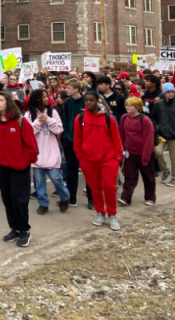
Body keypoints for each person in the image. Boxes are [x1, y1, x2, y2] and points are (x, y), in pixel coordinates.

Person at [0, 91, 37, 248]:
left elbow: (31, 144)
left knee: (19, 199)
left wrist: (28, 160)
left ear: (8, 102)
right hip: (3, 166)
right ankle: (14, 228)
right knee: (7, 199)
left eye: (1, 100)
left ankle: (24, 230)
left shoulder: (20, 121)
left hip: (20, 167)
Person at [74, 91, 124, 230]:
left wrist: (117, 159)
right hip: (88, 161)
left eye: (91, 100)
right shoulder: (80, 118)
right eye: (86, 100)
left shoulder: (109, 119)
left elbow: (116, 140)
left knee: (109, 187)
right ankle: (100, 213)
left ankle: (112, 215)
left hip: (108, 161)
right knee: (95, 189)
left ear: (98, 101)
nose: (88, 102)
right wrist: (81, 158)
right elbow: (77, 140)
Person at [26, 89, 68, 214]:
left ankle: (65, 197)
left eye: (46, 96)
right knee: (39, 181)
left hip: (51, 149)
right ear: (37, 99)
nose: (46, 99)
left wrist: (48, 120)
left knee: (56, 178)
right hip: (37, 152)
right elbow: (29, 132)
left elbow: (59, 129)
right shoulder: (29, 114)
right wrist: (39, 121)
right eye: (43, 97)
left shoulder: (52, 111)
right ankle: (43, 203)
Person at [60, 78, 92, 209]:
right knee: (71, 171)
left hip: (86, 142)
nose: (65, 90)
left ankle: (91, 199)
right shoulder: (67, 102)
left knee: (88, 171)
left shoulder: (87, 101)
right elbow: (66, 119)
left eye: (68, 88)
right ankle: (72, 197)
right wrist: (67, 135)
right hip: (70, 141)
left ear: (76, 89)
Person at [118, 97, 156, 206]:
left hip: (144, 153)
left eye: (130, 105)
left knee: (148, 177)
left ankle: (150, 197)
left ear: (137, 107)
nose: (127, 107)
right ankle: (125, 198)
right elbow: (121, 135)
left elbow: (149, 139)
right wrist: (122, 149)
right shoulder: (124, 118)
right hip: (130, 153)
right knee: (129, 177)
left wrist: (145, 157)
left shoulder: (145, 120)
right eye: (127, 105)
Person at [150, 82, 175, 186]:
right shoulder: (158, 104)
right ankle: (165, 170)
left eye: (172, 92)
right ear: (164, 93)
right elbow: (153, 117)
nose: (171, 94)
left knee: (174, 158)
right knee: (157, 152)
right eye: (168, 92)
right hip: (161, 135)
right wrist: (157, 128)